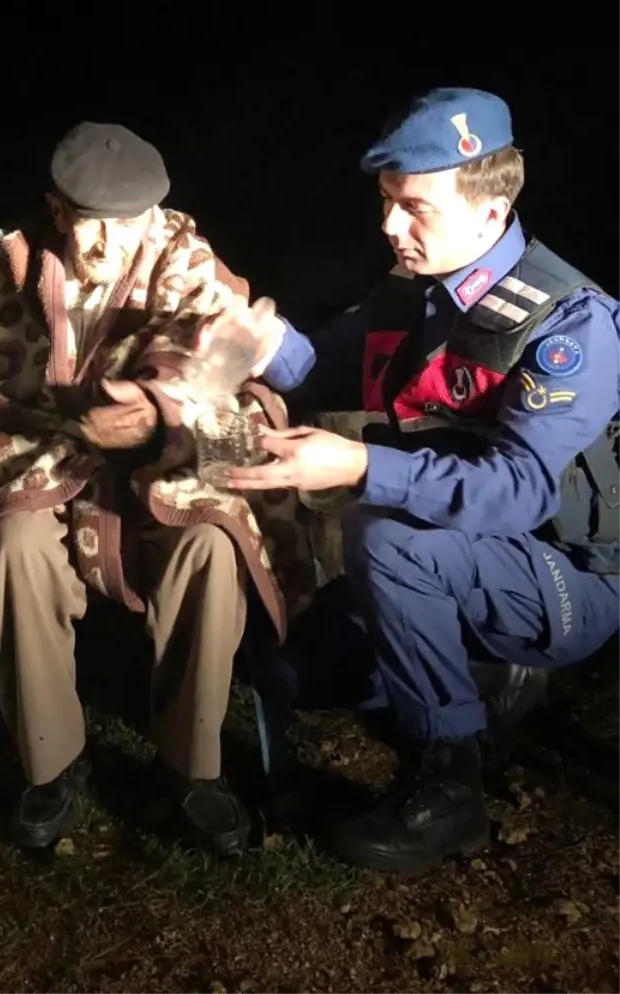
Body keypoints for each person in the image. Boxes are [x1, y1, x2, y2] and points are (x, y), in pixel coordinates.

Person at [215, 87, 620, 873]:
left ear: (491, 212)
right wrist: (257, 342)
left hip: (564, 573)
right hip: (455, 546)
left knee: (387, 535)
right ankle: (480, 678)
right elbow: (318, 366)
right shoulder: (413, 290)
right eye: (386, 202)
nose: (389, 227)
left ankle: (449, 783)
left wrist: (362, 466)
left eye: (413, 208)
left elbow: (521, 490)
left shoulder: (571, 324)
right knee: (294, 670)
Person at [0, 121, 315, 855]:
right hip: (33, 452)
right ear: (56, 211)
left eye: (131, 227)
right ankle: (52, 764)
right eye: (92, 228)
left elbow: (233, 359)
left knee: (211, 543)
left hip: (162, 461)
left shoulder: (184, 255)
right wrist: (66, 426)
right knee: (14, 542)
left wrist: (157, 409)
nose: (112, 247)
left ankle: (195, 767)